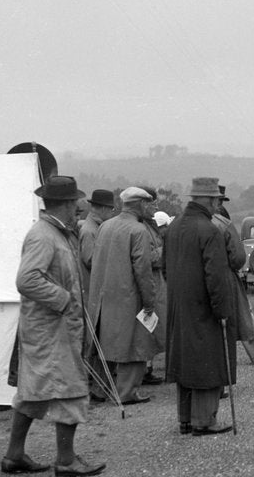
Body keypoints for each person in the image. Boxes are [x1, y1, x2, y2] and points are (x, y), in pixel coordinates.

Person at [2, 176, 106, 477]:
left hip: (49, 328)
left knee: (34, 392)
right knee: (71, 389)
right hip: (52, 328)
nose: (78, 207)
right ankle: (66, 460)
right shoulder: (44, 236)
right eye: (74, 202)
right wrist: (63, 300)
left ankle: (14, 455)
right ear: (63, 204)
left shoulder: (55, 233)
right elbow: (27, 279)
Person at [163, 177, 237, 436]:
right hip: (204, 309)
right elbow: (216, 278)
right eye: (216, 199)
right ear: (207, 200)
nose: (218, 204)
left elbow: (164, 270)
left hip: (178, 307)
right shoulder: (209, 230)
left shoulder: (173, 228)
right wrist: (223, 310)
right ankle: (204, 421)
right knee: (208, 363)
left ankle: (185, 419)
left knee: (185, 362)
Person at [88, 187, 159, 405]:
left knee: (104, 343)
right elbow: (143, 270)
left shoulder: (105, 226)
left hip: (103, 296)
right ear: (139, 204)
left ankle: (99, 390)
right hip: (129, 298)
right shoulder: (138, 231)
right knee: (137, 345)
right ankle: (127, 392)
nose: (151, 207)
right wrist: (149, 301)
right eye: (148, 203)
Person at [212, 186, 254, 365]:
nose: (219, 203)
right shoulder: (221, 219)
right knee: (242, 315)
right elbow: (236, 256)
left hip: (220, 273)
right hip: (225, 274)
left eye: (220, 200)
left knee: (244, 315)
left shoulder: (213, 217)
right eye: (218, 199)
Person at [77, 189, 118, 401]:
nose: (111, 213)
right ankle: (95, 387)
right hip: (91, 291)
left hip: (94, 290)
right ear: (101, 208)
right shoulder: (90, 230)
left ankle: (96, 385)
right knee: (94, 340)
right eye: (110, 209)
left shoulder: (95, 227)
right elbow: (91, 260)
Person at [139, 187, 168, 386]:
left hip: (155, 282)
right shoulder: (142, 228)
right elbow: (150, 258)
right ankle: (144, 370)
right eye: (151, 203)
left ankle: (147, 368)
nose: (154, 207)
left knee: (152, 327)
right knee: (148, 328)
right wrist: (166, 248)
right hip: (150, 282)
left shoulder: (147, 226)